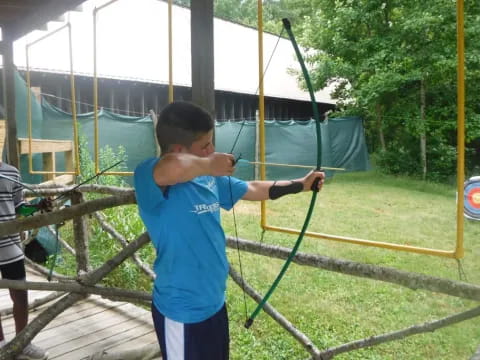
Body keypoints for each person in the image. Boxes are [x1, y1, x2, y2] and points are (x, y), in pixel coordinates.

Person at [134, 101, 325, 360]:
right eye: (205, 145)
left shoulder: (207, 179)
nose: (212, 150)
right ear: (179, 149)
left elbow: (254, 188)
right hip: (181, 311)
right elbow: (173, 167)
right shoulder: (149, 178)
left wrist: (300, 185)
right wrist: (208, 164)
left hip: (214, 303)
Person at [0, 161, 48, 360]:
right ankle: (1, 344)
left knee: (20, 295)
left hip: (10, 245)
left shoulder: (11, 173)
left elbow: (19, 208)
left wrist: (37, 206)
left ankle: (23, 342)